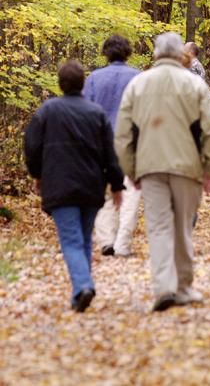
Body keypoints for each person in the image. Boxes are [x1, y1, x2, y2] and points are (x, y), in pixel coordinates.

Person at [114, 32, 210, 312]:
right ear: (181, 54)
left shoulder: (137, 84)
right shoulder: (195, 85)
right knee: (183, 226)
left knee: (159, 226)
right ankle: (184, 287)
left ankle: (164, 287)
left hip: (149, 167)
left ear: (155, 54)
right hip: (188, 166)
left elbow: (124, 134)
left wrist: (131, 170)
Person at [24, 60, 125, 312]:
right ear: (83, 84)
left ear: (60, 84)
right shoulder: (96, 113)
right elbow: (109, 154)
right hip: (91, 185)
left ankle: (82, 286)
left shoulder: (47, 111)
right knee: (83, 239)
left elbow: (32, 147)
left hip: (59, 185)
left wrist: (37, 175)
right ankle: (81, 291)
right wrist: (116, 184)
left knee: (71, 240)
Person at [84, 35, 141, 257]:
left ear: (105, 52)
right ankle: (122, 243)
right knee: (130, 193)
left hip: (100, 143)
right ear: (128, 52)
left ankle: (106, 239)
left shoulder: (94, 79)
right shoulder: (138, 77)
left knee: (104, 192)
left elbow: (85, 112)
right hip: (131, 143)